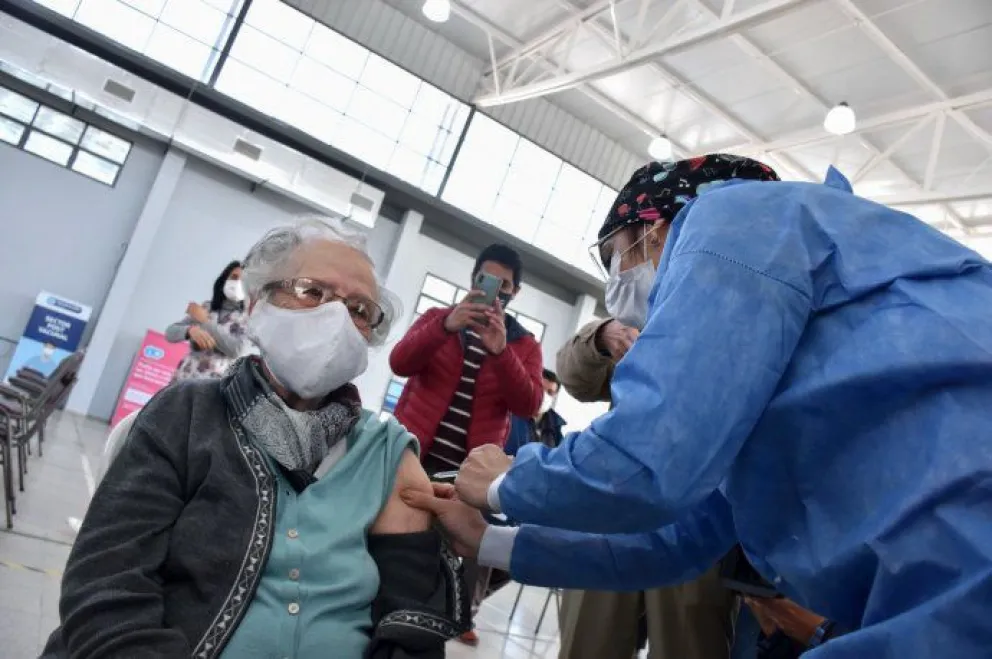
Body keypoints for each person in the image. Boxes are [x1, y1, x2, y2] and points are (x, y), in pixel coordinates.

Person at [405, 154, 992, 657]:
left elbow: (644, 464)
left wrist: (506, 480)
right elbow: (675, 540)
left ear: (652, 228)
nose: (617, 284)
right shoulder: (772, 359)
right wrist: (489, 540)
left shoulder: (733, 218)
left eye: (614, 257)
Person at [43, 218, 467, 659]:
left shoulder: (386, 452)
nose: (337, 318)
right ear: (258, 305)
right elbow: (108, 585)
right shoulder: (185, 416)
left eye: (359, 310)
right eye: (312, 291)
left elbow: (409, 625)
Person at [555, 316, 736, 659]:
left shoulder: (748, 321)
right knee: (589, 642)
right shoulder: (647, 321)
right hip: (616, 510)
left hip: (700, 519)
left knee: (687, 645)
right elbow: (576, 379)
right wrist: (600, 336)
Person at [389, 243, 543, 645]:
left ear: (515, 292)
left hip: (471, 469)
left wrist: (501, 352)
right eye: (488, 279)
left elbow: (528, 404)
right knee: (398, 534)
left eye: (505, 285)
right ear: (474, 278)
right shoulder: (438, 318)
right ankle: (389, 599)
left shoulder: (523, 345)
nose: (497, 290)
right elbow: (400, 362)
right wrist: (446, 326)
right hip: (414, 452)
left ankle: (460, 614)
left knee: (466, 540)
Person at [165, 260, 250, 381]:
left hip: (212, 385)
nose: (237, 283)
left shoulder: (248, 319)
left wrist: (205, 322)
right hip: (183, 379)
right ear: (224, 279)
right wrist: (190, 331)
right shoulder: (207, 307)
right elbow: (170, 333)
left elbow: (236, 350)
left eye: (243, 281)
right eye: (234, 277)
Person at [503, 369, 566, 456]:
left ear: (554, 397)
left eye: (550, 392)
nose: (543, 395)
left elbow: (559, 458)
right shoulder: (508, 416)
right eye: (540, 389)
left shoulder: (555, 426)